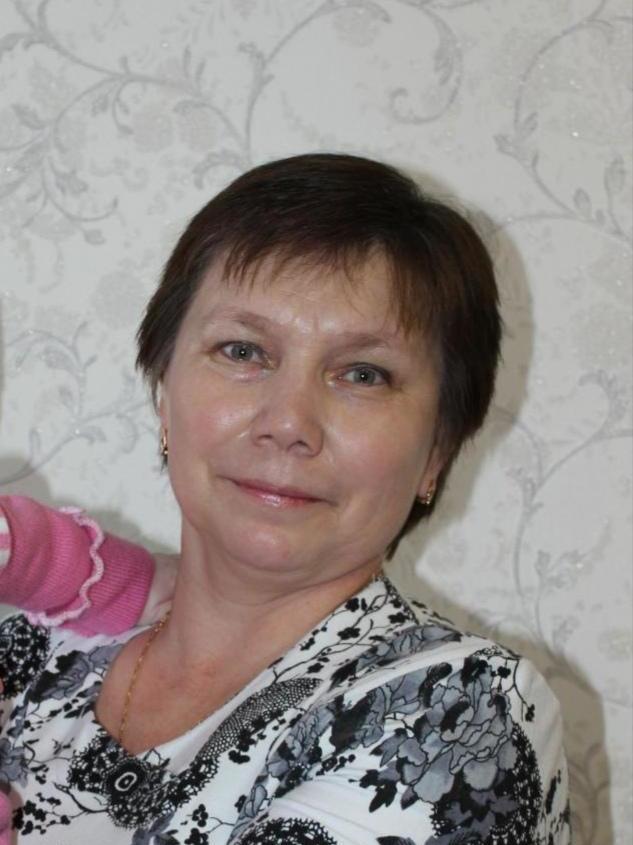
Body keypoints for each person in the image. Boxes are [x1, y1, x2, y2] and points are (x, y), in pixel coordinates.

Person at [0, 153, 571, 844]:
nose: (288, 422)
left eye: (363, 374)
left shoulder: (456, 715)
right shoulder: (34, 640)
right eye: (243, 352)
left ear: (438, 451)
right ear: (163, 394)